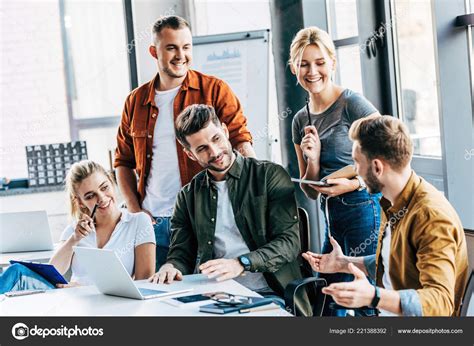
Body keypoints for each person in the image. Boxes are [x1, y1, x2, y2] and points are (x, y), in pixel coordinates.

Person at [114, 15, 255, 271]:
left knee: (205, 296)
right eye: (171, 48)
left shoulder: (215, 90)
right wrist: (136, 212)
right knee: (159, 299)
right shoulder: (135, 102)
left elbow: (242, 143)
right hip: (153, 222)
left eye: (186, 47)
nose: (181, 55)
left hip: (202, 219)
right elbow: (122, 162)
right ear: (154, 52)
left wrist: (255, 197)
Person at [148, 104, 311, 315]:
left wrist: (241, 263)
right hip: (214, 297)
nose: (214, 152)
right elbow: (182, 253)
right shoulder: (188, 196)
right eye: (202, 149)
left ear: (225, 131)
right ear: (190, 154)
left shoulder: (269, 175)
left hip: (268, 294)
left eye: (216, 139)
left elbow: (289, 244)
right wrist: (171, 267)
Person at [303, 115, 469, 316]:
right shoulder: (394, 202)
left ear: (377, 167)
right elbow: (393, 262)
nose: (354, 171)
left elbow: (441, 302)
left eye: (356, 162)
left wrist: (374, 296)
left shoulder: (430, 217)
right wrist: (345, 263)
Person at [289, 26, 382, 316]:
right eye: (303, 64)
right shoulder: (300, 119)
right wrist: (313, 159)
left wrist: (353, 184)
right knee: (331, 302)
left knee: (364, 300)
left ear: (333, 62)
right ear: (294, 68)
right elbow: (307, 188)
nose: (312, 71)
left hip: (363, 209)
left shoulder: (351, 104)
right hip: (331, 217)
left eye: (319, 62)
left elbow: (388, 155)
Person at [0, 161, 156, 293]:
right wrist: (74, 239)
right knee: (16, 271)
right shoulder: (74, 231)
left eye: (104, 187)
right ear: (80, 202)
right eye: (90, 196)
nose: (101, 198)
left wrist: (84, 290)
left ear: (111, 181)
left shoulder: (139, 222)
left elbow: (143, 283)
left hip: (111, 304)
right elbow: (53, 272)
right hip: (71, 301)